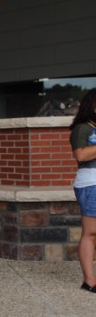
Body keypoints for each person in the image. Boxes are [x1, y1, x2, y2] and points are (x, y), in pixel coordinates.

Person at [69, 89, 96, 293]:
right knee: (91, 233)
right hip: (90, 184)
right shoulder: (82, 128)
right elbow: (80, 155)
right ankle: (89, 280)